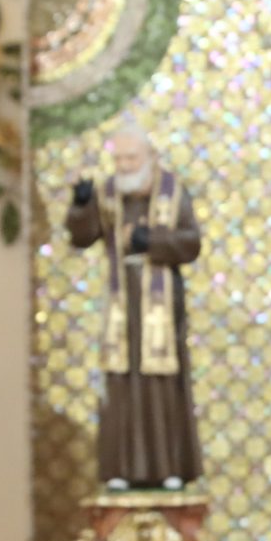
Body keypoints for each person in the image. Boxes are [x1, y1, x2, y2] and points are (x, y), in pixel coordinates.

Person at [67, 126, 203, 490]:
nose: (125, 166)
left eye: (131, 158)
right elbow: (82, 236)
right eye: (119, 159)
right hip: (122, 300)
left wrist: (151, 240)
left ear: (149, 157)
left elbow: (191, 243)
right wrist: (81, 205)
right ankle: (120, 469)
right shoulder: (108, 193)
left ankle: (169, 466)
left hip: (160, 303)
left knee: (161, 383)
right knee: (121, 381)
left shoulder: (172, 191)